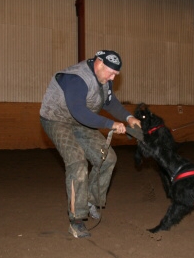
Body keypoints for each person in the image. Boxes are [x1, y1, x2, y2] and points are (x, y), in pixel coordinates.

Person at [40, 50, 141, 239]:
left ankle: (89, 201)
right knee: (77, 162)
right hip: (56, 120)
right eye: (110, 73)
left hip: (80, 123)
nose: (113, 78)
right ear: (98, 64)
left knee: (108, 158)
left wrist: (129, 117)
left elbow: (109, 103)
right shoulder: (76, 79)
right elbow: (79, 111)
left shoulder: (105, 79)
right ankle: (76, 219)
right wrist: (110, 124)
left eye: (115, 75)